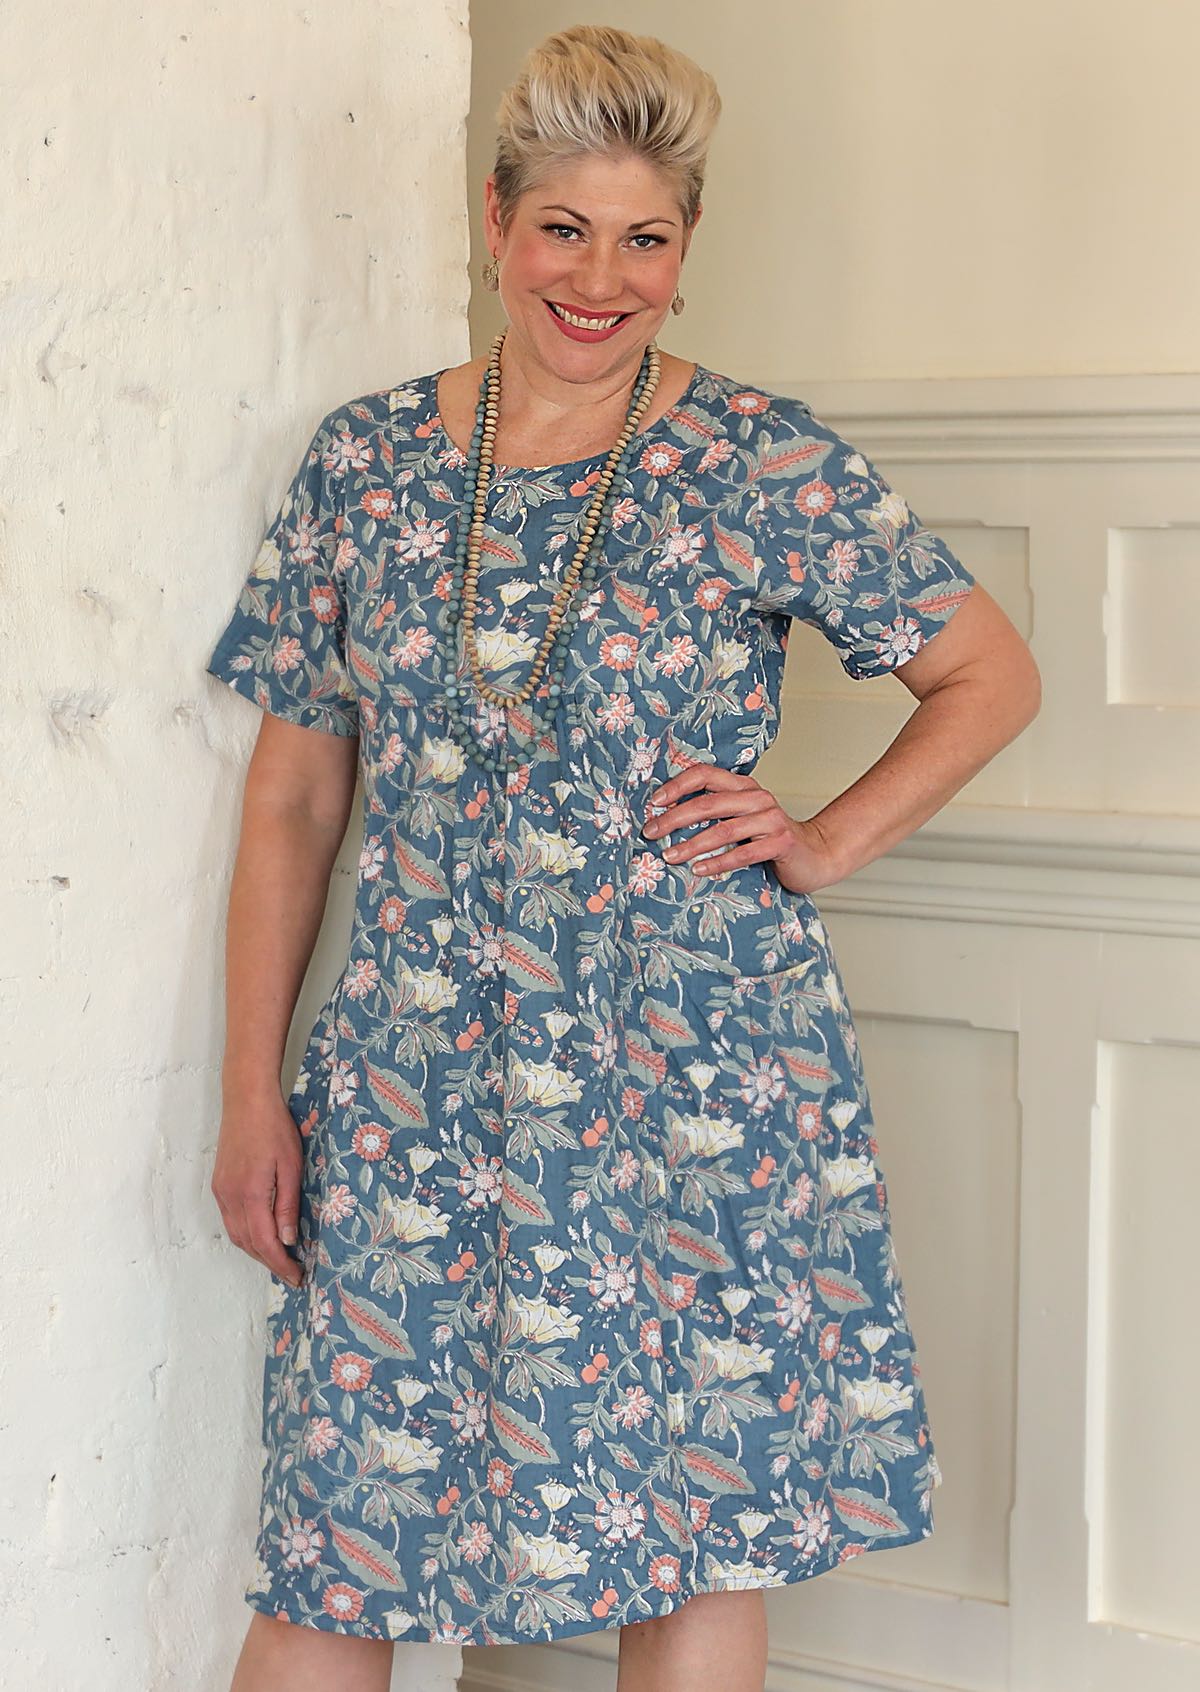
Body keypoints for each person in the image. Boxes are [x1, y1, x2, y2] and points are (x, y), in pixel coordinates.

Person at [207, 22, 1040, 1692]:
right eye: (564, 230)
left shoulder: (760, 458)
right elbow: (295, 797)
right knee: (342, 1539)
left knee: (696, 1521)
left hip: (691, 1058)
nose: (600, 279)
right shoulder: (365, 463)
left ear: (687, 247)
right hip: (417, 1071)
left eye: (644, 239)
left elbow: (990, 674)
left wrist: (822, 839)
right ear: (495, 222)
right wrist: (251, 1095)